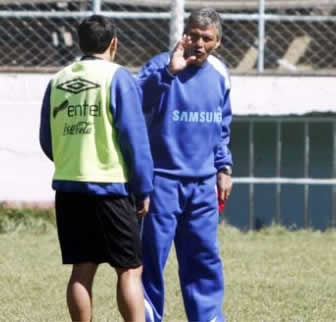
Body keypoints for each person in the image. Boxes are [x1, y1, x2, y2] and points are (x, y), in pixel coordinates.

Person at [39, 15, 153, 322]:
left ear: (80, 43)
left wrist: (73, 159)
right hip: (110, 187)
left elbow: (47, 141)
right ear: (114, 43)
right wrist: (143, 187)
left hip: (68, 186)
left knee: (82, 269)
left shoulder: (58, 80)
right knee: (129, 269)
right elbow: (134, 138)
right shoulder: (118, 77)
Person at [137, 7, 233, 322]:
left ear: (217, 42)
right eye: (193, 35)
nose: (199, 43)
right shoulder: (160, 66)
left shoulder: (220, 73)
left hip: (203, 185)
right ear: (184, 34)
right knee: (150, 260)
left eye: (207, 38)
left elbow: (222, 126)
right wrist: (169, 72)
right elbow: (135, 103)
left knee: (204, 259)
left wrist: (223, 168)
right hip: (161, 182)